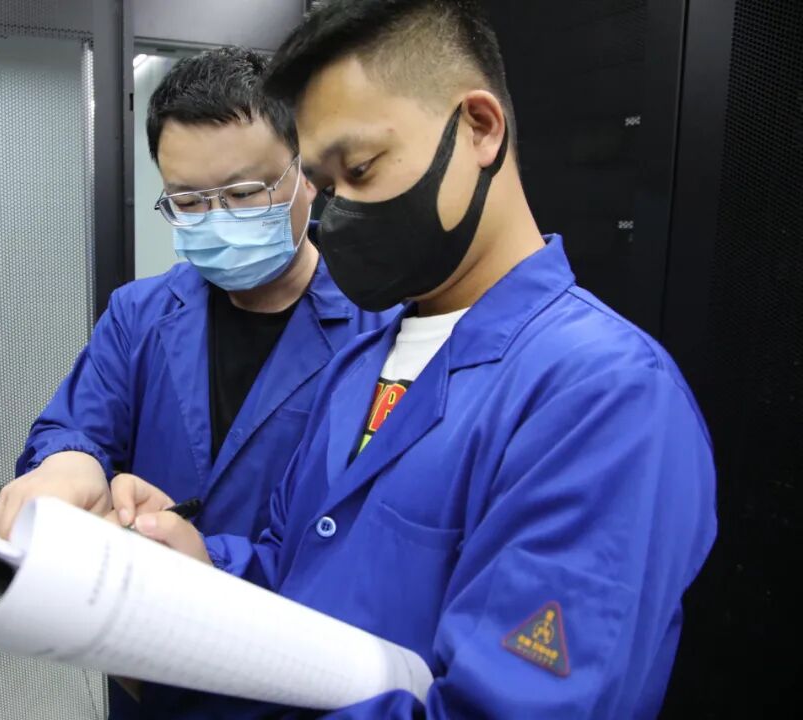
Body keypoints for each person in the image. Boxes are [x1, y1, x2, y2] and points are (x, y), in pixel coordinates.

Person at [111, 2, 718, 717]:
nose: (337, 216)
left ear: (480, 128)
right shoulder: (361, 363)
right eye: (325, 187)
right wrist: (200, 565)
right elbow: (291, 570)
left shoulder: (603, 397)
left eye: (361, 169)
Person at [0, 46, 396, 715]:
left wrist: (206, 561)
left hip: (289, 677)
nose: (218, 220)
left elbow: (369, 543)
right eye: (187, 201)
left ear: (307, 175)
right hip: (147, 665)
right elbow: (76, 425)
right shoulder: (139, 314)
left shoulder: (379, 332)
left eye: (244, 193)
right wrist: (67, 463)